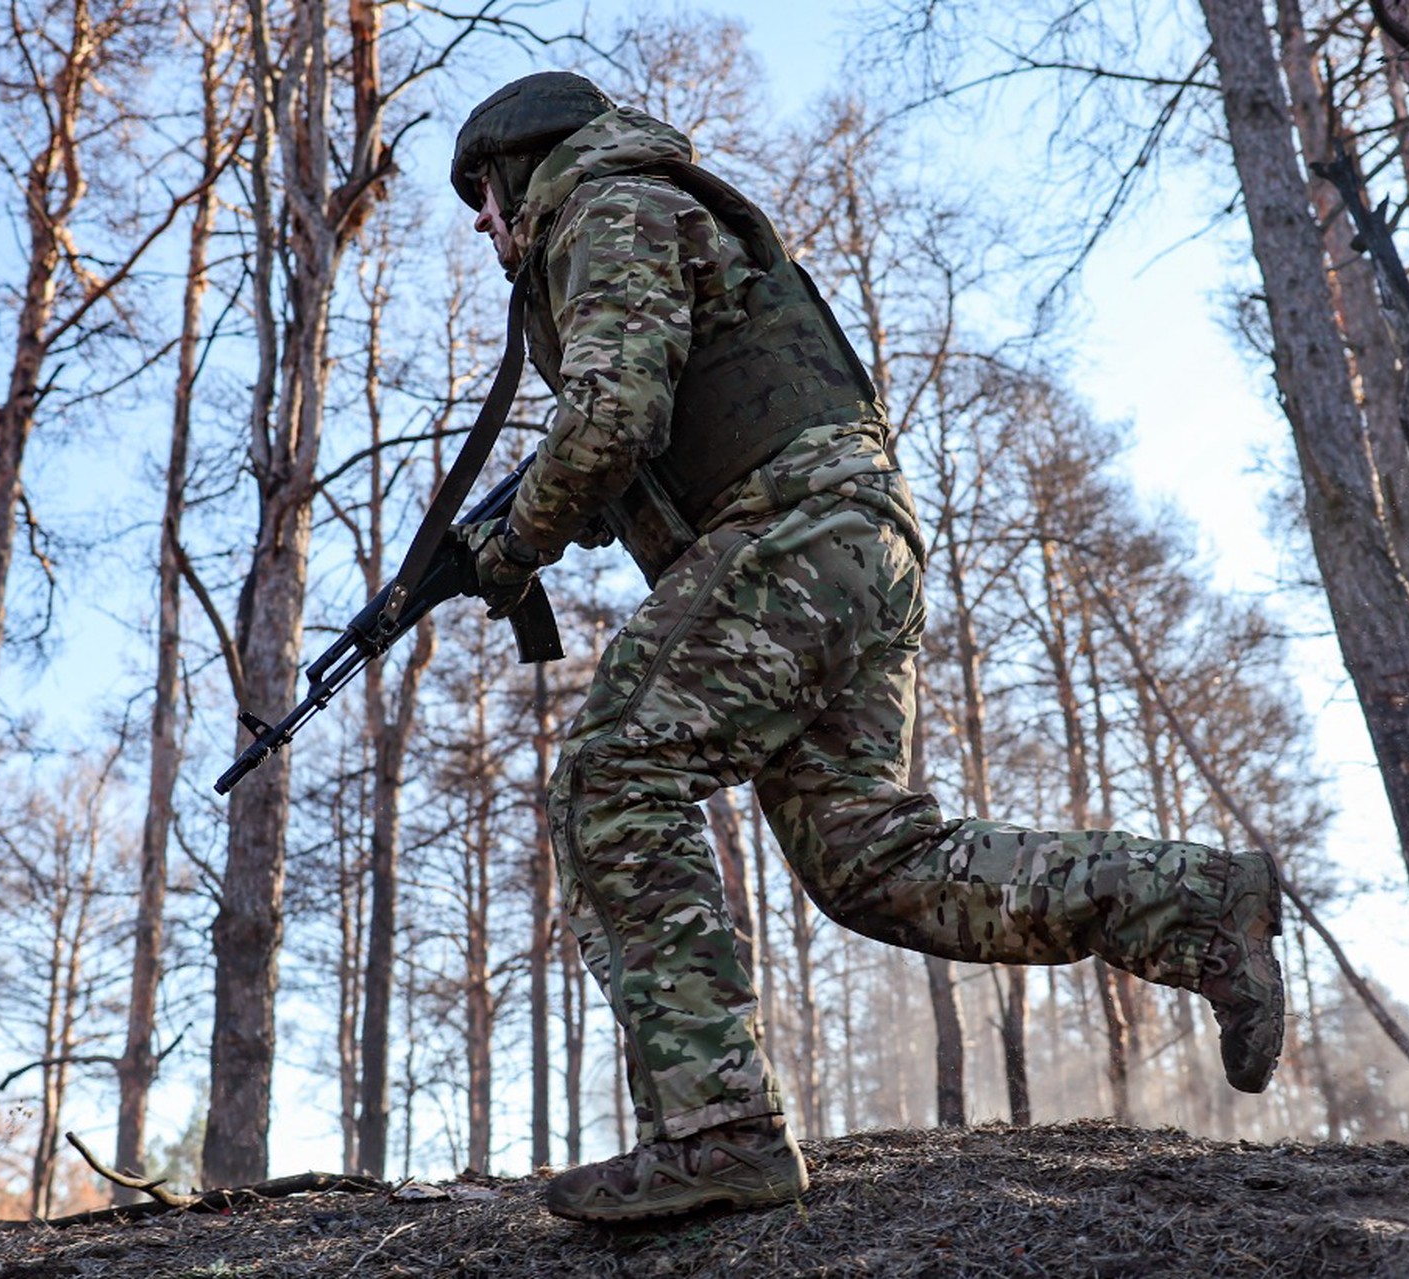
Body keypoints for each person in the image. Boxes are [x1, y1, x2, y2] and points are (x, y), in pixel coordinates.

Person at [448, 71, 1286, 1225]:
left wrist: (512, 544)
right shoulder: (653, 208)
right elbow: (655, 430)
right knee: (869, 861)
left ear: (514, 168)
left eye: (478, 199)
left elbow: (611, 418)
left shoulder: (604, 206)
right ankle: (1195, 905)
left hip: (795, 531)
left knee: (612, 775)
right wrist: (540, 517)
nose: (484, 229)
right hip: (853, 545)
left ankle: (718, 1126)